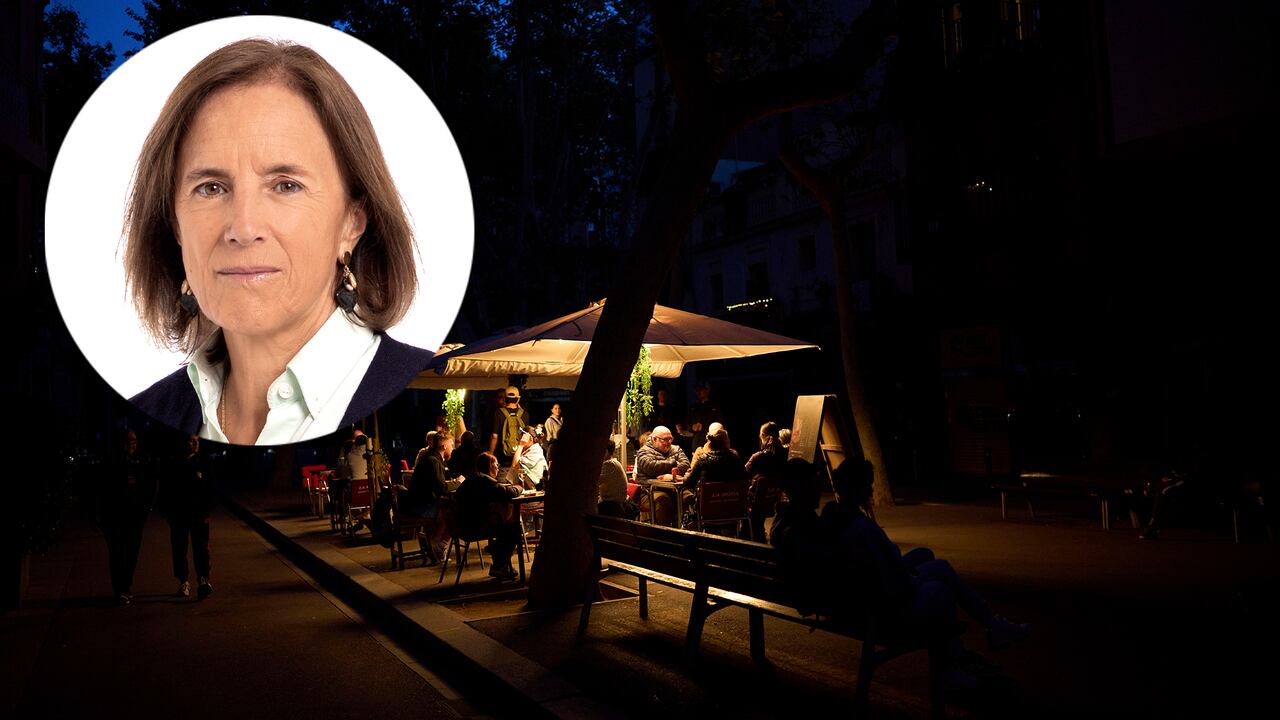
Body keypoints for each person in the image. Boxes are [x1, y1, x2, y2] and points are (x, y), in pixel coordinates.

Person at [125, 39, 433, 444]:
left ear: (352, 223)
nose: (243, 227)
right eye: (211, 188)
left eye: (286, 185)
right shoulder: (148, 411)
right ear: (175, 224)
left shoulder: (417, 392)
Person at [823, 459, 1030, 658]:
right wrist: (911, 578)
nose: (870, 491)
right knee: (941, 577)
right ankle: (975, 639)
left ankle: (991, 626)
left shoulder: (834, 517)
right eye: (868, 485)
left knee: (925, 555)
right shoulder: (862, 527)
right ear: (858, 488)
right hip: (884, 601)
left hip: (862, 594)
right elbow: (889, 569)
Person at [100, 430, 157, 606]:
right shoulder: (112, 462)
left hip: (135, 516)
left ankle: (125, 587)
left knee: (131, 553)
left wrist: (147, 508)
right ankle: (121, 589)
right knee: (117, 553)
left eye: (134, 440)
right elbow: (102, 489)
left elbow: (151, 485)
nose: (132, 444)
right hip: (116, 517)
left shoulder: (142, 461)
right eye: (128, 441)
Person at [158, 434, 215, 599]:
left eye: (197, 441)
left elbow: (212, 488)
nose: (195, 444)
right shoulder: (173, 463)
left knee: (202, 549)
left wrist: (207, 509)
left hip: (199, 515)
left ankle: (203, 580)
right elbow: (165, 489)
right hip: (179, 515)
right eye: (191, 441)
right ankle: (183, 581)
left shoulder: (204, 463)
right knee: (179, 549)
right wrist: (167, 513)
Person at [454, 453, 522, 581]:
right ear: (490, 465)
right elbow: (508, 492)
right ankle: (499, 564)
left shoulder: (473, 478)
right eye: (496, 464)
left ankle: (496, 553)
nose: (498, 467)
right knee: (513, 529)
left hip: (463, 524)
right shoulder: (484, 480)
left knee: (504, 526)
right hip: (474, 526)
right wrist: (519, 487)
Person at [407, 431, 459, 563]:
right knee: (455, 511)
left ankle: (435, 542)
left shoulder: (429, 458)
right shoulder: (434, 461)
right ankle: (437, 543)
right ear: (444, 446)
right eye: (451, 445)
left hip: (415, 503)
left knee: (450, 506)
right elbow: (441, 489)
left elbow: (436, 485)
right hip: (421, 507)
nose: (453, 448)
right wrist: (458, 482)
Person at [634, 426, 691, 526]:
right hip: (649, 492)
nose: (669, 442)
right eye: (665, 439)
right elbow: (651, 468)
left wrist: (669, 474)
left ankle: (685, 530)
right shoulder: (643, 452)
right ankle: (663, 535)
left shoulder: (676, 449)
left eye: (670, 439)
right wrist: (673, 463)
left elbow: (686, 465)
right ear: (654, 439)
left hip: (674, 490)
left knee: (688, 496)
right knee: (663, 500)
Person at [745, 421, 787, 542]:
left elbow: (743, 474)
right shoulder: (785, 454)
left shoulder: (757, 457)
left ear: (762, 436)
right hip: (777, 497)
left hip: (758, 500)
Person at [489, 386, 529, 472]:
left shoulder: (498, 412)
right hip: (519, 458)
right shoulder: (524, 414)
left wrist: (491, 454)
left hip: (502, 458)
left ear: (505, 398)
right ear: (518, 399)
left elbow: (494, 436)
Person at [598, 439, 634, 518]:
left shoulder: (609, 465)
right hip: (614, 504)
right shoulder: (613, 463)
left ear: (606, 451)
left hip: (613, 507)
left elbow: (593, 481)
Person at [683, 382, 722, 452]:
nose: (698, 392)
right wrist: (692, 427)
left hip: (711, 444)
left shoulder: (715, 406)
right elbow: (688, 423)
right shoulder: (693, 407)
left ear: (707, 390)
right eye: (696, 390)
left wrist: (703, 426)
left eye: (700, 389)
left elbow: (720, 424)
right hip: (697, 444)